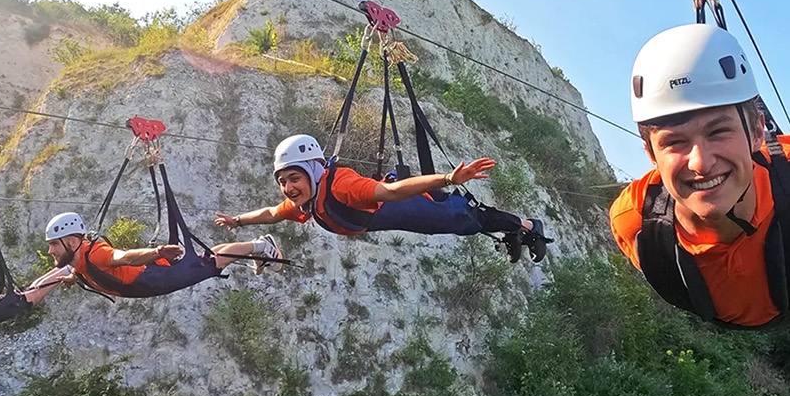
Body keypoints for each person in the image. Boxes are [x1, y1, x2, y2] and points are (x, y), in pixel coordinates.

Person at [608, 25, 790, 329]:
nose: (700, 163)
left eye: (719, 131)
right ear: (651, 155)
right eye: (674, 142)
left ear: (758, 131)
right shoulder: (636, 222)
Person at [214, 135, 550, 263]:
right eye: (283, 181)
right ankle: (515, 231)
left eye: (294, 178)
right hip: (406, 219)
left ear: (313, 172)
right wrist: (238, 220)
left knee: (466, 217)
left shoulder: (340, 185)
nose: (288, 187)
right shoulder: (306, 201)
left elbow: (390, 192)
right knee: (462, 225)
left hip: (411, 206)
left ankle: (528, 225)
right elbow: (273, 213)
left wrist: (448, 178)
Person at [32, 211, 283, 301]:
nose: (50, 250)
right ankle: (258, 248)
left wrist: (157, 252)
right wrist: (71, 278)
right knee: (206, 260)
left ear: (73, 241)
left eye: (54, 244)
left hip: (158, 276)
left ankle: (260, 246)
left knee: (209, 263)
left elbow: (125, 257)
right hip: (153, 280)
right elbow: (79, 272)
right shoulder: (78, 263)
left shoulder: (95, 253)